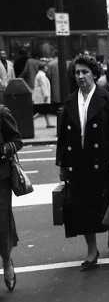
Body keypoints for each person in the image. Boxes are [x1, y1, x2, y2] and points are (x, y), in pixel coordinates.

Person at [56, 55, 109, 271]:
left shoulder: (108, 100)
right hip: (78, 163)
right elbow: (63, 138)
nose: (80, 76)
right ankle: (92, 251)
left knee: (106, 203)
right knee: (84, 209)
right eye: (77, 72)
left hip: (103, 163)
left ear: (95, 74)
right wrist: (62, 165)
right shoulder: (69, 103)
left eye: (85, 72)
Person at [0, 105, 23, 291]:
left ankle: (6, 262)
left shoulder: (1, 112)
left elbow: (17, 140)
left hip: (0, 180)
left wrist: (3, 150)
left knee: (2, 225)